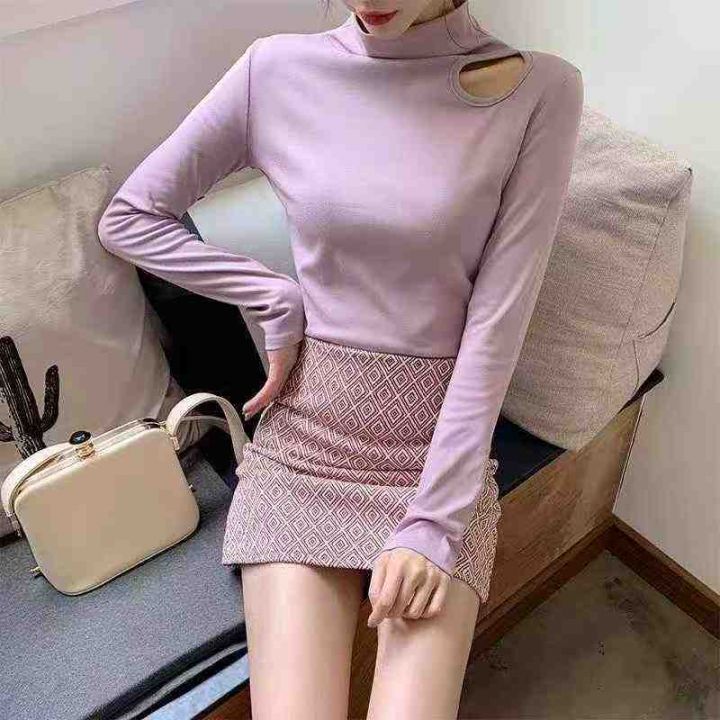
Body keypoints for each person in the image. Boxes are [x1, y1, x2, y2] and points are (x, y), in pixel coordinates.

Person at [97, 0, 584, 716]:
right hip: (305, 446)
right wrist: (269, 293)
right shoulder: (275, 69)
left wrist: (435, 522)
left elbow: (497, 324)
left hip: (434, 461)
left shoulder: (542, 90)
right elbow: (130, 218)